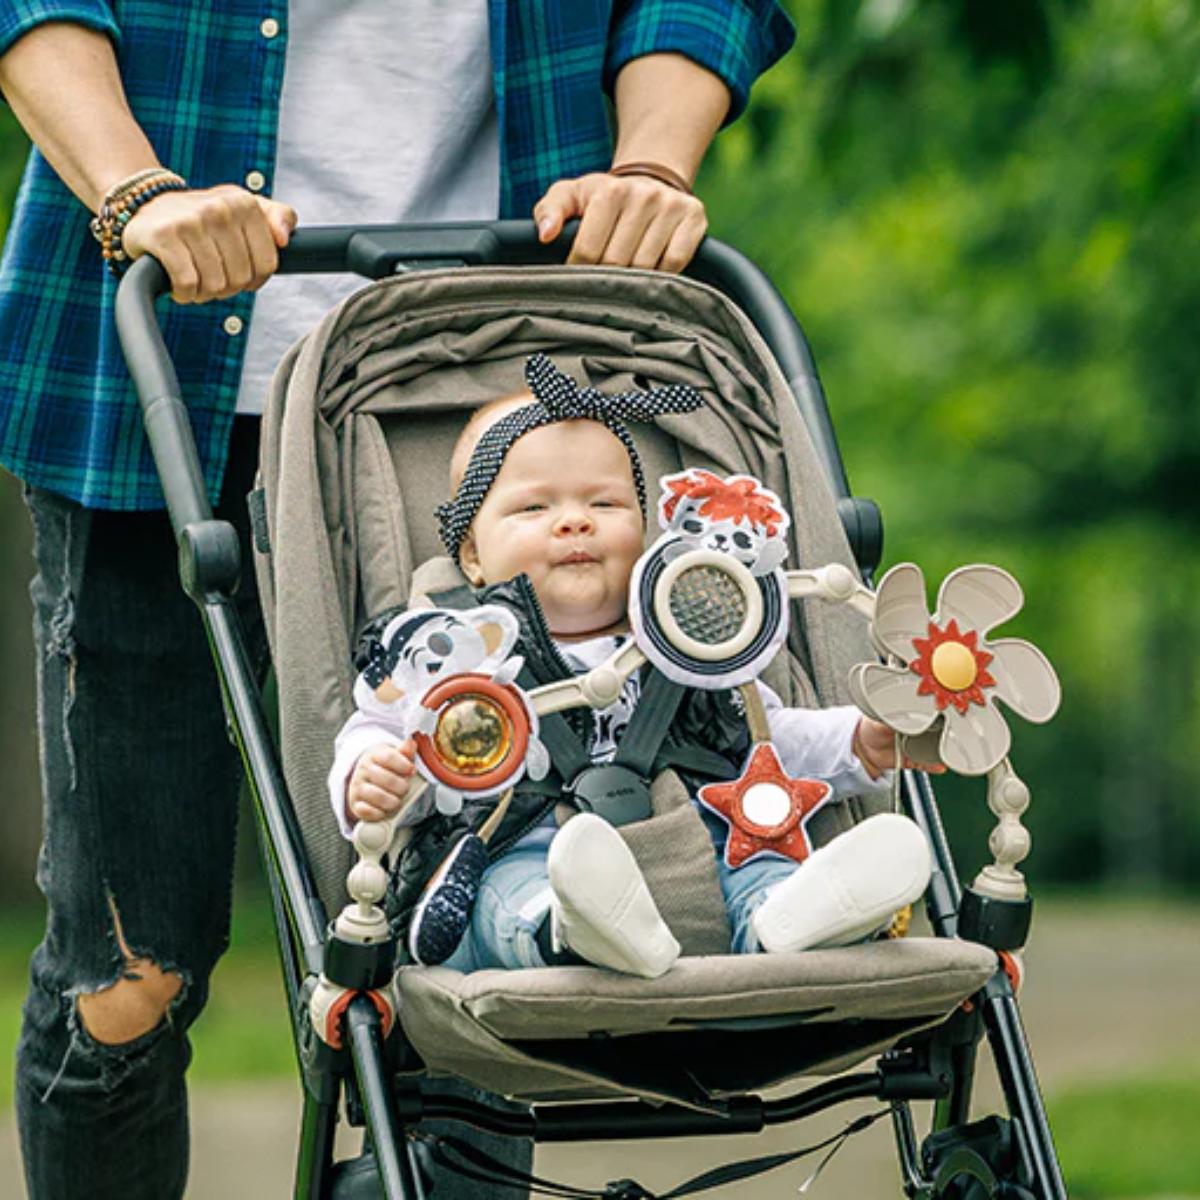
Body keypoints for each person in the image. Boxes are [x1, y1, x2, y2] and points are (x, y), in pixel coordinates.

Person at [0, 3, 797, 1197]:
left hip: (469, 401)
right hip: (161, 361)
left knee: (473, 921)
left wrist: (648, 166)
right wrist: (137, 192)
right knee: (129, 974)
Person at [331, 357, 936, 980]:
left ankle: (788, 919)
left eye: (604, 502)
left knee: (759, 858)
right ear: (472, 556)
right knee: (504, 894)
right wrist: (370, 774)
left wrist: (862, 742)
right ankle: (568, 932)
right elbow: (377, 728)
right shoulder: (449, 653)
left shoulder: (690, 643)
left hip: (701, 853)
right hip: (529, 852)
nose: (575, 520)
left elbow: (767, 740)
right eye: (534, 508)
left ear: (646, 539)